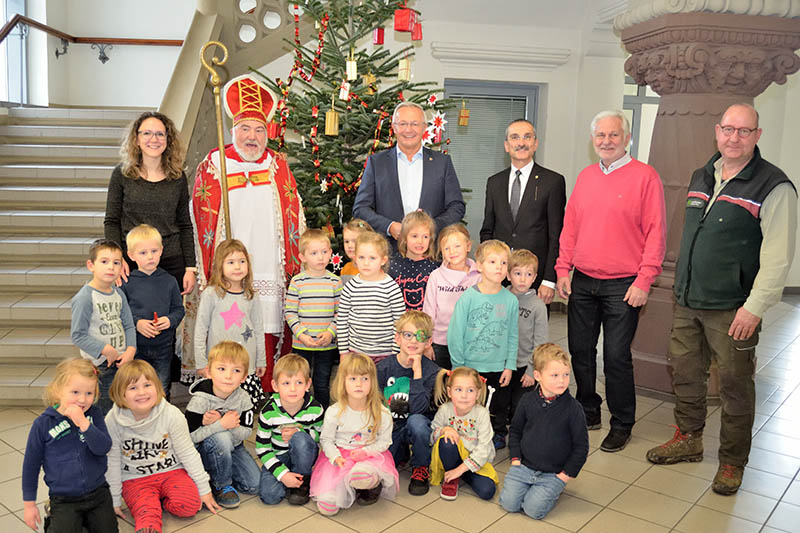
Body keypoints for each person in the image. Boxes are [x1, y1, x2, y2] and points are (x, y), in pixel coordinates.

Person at [646, 103, 798, 495]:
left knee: (734, 386)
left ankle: (732, 462)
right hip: (689, 300)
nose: (734, 138)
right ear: (717, 131)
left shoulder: (774, 186)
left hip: (734, 308)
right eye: (728, 129)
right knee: (685, 372)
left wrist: (755, 307)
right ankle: (689, 438)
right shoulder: (703, 175)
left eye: (744, 131)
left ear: (757, 136)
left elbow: (778, 257)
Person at [556, 110, 666, 453]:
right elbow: (570, 227)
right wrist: (563, 269)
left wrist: (644, 280)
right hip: (584, 280)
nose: (606, 141)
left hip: (624, 284)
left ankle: (622, 422)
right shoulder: (586, 176)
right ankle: (588, 409)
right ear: (593, 140)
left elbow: (656, 234)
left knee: (616, 356)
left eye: (614, 135)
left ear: (627, 138)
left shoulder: (646, 178)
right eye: (600, 135)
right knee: (580, 351)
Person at [191, 74, 305, 389]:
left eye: (259, 130)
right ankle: (224, 385)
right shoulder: (215, 163)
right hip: (232, 263)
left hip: (269, 258)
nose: (252, 137)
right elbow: (200, 211)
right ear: (232, 130)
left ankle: (266, 384)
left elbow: (293, 212)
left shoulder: (277, 165)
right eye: (245, 129)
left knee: (263, 321)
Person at [105, 360, 220, 532]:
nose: (142, 392)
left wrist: (204, 489)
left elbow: (188, 453)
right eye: (133, 388)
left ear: (157, 388)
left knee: (190, 506)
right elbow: (112, 461)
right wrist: (114, 499)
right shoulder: (113, 420)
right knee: (146, 517)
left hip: (171, 472)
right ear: (121, 395)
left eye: (147, 385)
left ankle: (160, 500)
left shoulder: (171, 414)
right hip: (135, 478)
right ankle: (151, 505)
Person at [104, 111, 196, 295]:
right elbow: (112, 221)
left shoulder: (177, 177)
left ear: (168, 140)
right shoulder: (121, 175)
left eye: (160, 134)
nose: (153, 139)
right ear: (136, 139)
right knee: (133, 319)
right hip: (131, 262)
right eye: (146, 133)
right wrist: (117, 259)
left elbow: (185, 224)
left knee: (167, 320)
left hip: (170, 261)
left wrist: (190, 268)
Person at [353, 101, 465, 250]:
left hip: (431, 254)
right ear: (394, 127)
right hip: (388, 253)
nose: (408, 130)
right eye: (403, 124)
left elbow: (456, 207)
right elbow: (360, 208)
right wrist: (389, 226)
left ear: (425, 127)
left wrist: (429, 228)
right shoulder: (376, 163)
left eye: (414, 124)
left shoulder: (442, 162)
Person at [22, 358, 117, 532]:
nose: (82, 399)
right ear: (58, 390)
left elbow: (103, 447)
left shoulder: (94, 415)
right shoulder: (43, 424)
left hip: (98, 493)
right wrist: (29, 505)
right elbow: (30, 466)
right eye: (75, 392)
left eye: (89, 393)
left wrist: (84, 424)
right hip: (63, 498)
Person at [480, 119, 566, 305]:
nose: (521, 143)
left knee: (532, 333)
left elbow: (557, 235)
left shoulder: (552, 182)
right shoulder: (494, 182)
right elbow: (488, 230)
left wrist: (549, 280)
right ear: (506, 145)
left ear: (535, 144)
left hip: (535, 279)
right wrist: (488, 271)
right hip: (499, 279)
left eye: (527, 137)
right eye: (515, 137)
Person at [500, 343, 589, 520]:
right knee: (509, 504)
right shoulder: (527, 401)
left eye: (565, 375)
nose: (562, 381)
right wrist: (516, 459)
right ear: (537, 376)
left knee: (533, 511)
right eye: (554, 375)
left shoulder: (574, 409)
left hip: (553, 473)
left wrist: (564, 476)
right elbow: (516, 431)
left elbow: (581, 447)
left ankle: (551, 490)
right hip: (523, 467)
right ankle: (532, 489)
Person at [447, 239, 519, 449]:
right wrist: (458, 366)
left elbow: (513, 335)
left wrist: (510, 365)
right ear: (479, 265)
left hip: (498, 366)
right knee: (470, 404)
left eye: (504, 263)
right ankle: (469, 434)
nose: (499, 267)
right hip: (470, 366)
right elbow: (455, 333)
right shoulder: (468, 298)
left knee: (498, 404)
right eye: (493, 261)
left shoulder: (510, 300)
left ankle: (497, 433)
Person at [310, 353, 399, 515]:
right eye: (353, 379)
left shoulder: (382, 413)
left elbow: (384, 442)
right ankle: (345, 486)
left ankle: (370, 486)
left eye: (365, 379)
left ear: (373, 382)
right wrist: (335, 457)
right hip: (340, 457)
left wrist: (366, 452)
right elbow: (327, 440)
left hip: (369, 456)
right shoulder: (334, 411)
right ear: (342, 382)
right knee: (328, 508)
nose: (359, 384)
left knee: (362, 476)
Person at [185, 341, 260, 509]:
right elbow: (191, 437)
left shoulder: (243, 398)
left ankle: (215, 472)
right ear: (209, 371)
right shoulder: (199, 400)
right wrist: (221, 425)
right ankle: (221, 484)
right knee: (221, 437)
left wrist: (230, 424)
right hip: (203, 449)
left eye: (236, 371)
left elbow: (246, 432)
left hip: (235, 446)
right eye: (222, 369)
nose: (228, 376)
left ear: (244, 377)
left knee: (255, 485)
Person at [193, 239, 267, 405]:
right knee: (219, 409)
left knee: (243, 412)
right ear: (220, 265)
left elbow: (258, 329)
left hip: (244, 364)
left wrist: (260, 360)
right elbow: (200, 330)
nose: (237, 267)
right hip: (220, 365)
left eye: (242, 261)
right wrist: (201, 362)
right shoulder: (211, 294)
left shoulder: (252, 296)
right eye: (231, 262)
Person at [377, 310, 440, 495]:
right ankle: (402, 451)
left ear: (428, 342)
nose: (413, 341)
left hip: (417, 426)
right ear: (397, 338)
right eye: (408, 335)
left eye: (420, 337)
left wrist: (417, 373)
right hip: (392, 427)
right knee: (383, 472)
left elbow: (419, 409)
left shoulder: (431, 371)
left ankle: (421, 467)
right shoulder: (384, 367)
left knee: (417, 422)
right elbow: (376, 403)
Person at [70, 239, 136, 414]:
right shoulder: (85, 297)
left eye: (116, 263)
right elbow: (78, 335)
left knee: (122, 408)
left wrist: (130, 349)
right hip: (100, 366)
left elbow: (129, 325)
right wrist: (104, 349)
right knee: (104, 410)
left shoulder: (118, 293)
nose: (111, 268)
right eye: (104, 262)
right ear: (91, 265)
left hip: (122, 362)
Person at [121, 224, 185, 398]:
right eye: (143, 253)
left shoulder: (170, 281)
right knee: (136, 386)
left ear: (161, 250)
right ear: (131, 255)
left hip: (163, 348)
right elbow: (121, 313)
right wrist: (137, 323)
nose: (150, 256)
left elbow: (179, 309)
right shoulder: (126, 283)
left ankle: (162, 420)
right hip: (135, 347)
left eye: (154, 251)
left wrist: (170, 320)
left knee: (162, 387)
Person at [256, 354, 324, 506]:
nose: (293, 389)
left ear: (308, 384)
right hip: (278, 456)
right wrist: (282, 474)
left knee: (300, 439)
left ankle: (303, 479)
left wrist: (301, 433)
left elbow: (323, 435)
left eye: (299, 382)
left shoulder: (315, 409)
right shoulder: (268, 412)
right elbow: (262, 449)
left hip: (304, 455)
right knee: (270, 496)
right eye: (286, 383)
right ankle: (289, 477)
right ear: (275, 385)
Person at [285, 229, 342, 408]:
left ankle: (322, 418)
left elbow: (340, 313)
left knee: (321, 384)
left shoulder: (335, 282)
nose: (320, 257)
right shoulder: (297, 282)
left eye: (325, 252)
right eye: (314, 253)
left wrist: (330, 333)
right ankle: (301, 413)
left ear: (330, 254)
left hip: (326, 344)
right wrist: (302, 335)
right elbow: (290, 312)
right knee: (299, 382)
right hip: (302, 344)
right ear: (302, 257)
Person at [429, 366, 498, 501]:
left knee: (487, 491)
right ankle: (452, 479)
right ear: (449, 392)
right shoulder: (445, 410)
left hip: (475, 459)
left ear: (478, 393)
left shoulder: (482, 414)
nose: (464, 395)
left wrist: (461, 469)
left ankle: (462, 473)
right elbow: (432, 436)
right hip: (450, 455)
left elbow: (484, 449)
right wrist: (443, 430)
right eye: (458, 389)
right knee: (446, 441)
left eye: (470, 390)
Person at [336, 232, 405, 362]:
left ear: (383, 260)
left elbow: (400, 323)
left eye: (372, 258)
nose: (366, 263)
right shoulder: (350, 287)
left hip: (386, 354)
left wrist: (397, 353)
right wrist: (344, 352)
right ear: (355, 258)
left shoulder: (391, 287)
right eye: (361, 257)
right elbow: (342, 321)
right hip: (355, 352)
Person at [422, 223, 480, 369]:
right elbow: (428, 312)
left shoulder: (479, 277)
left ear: (468, 246)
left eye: (457, 246)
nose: (452, 252)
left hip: (469, 344)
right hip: (439, 343)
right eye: (446, 248)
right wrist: (426, 343)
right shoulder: (436, 276)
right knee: (439, 386)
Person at [507, 249, 548, 414]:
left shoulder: (538, 306)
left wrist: (532, 371)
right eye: (518, 273)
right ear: (508, 275)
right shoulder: (502, 298)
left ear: (535, 277)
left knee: (520, 408)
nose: (523, 279)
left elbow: (541, 342)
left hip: (525, 366)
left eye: (528, 274)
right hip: (502, 364)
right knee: (499, 405)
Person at [388, 210, 440, 310]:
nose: (420, 241)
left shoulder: (436, 267)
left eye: (425, 236)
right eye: (414, 236)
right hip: (399, 323)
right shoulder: (392, 266)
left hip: (427, 323)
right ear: (404, 238)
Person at [340, 219, 374, 286]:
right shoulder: (346, 269)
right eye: (346, 241)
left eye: (355, 241)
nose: (349, 245)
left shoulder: (373, 268)